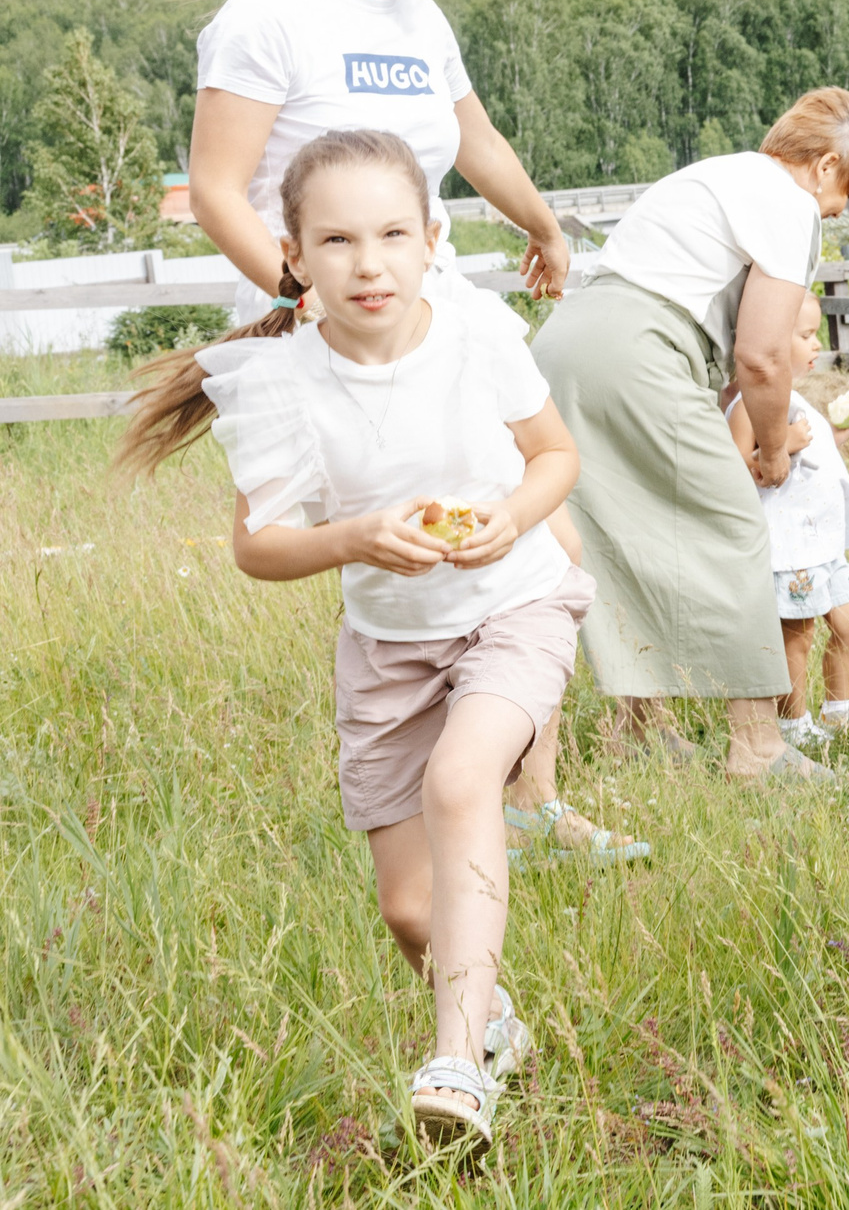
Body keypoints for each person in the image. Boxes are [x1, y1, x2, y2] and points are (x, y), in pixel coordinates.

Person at [115, 129, 594, 1148]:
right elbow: (259, 547)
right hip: (387, 647)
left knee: (461, 781)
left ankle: (456, 1064)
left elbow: (555, 455)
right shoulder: (279, 381)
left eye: (391, 235)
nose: (368, 264)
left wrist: (513, 515)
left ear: (431, 242)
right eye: (336, 240)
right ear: (292, 255)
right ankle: (496, 1025)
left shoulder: (476, 332)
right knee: (409, 910)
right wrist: (355, 539)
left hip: (514, 603)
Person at [190, 0, 636, 868]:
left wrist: (542, 226)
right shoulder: (269, 17)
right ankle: (471, 791)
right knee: (462, 549)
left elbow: (475, 141)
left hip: (445, 323)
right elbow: (215, 188)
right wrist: (300, 296)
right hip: (340, 333)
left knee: (538, 537)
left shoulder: (422, 25)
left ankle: (511, 792)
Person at [531, 88, 849, 785]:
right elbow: (763, 355)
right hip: (638, 351)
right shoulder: (789, 202)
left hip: (567, 344)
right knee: (735, 528)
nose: (828, 216)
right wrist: (774, 449)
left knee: (621, 533)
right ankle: (757, 748)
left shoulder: (715, 175)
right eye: (838, 202)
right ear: (824, 166)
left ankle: (637, 731)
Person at [727, 291, 849, 755]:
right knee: (798, 636)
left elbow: (808, 462)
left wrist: (834, 440)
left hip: (822, 544)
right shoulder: (748, 405)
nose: (816, 345)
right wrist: (779, 446)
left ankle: (840, 712)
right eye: (806, 335)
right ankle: (792, 725)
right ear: (770, 341)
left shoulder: (794, 400)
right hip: (789, 547)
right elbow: (733, 470)